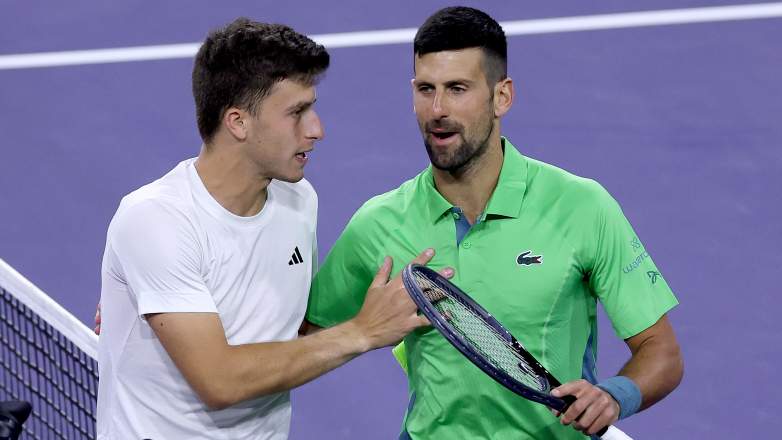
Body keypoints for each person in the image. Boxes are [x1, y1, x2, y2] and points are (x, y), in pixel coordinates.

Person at [305, 6, 683, 439]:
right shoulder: (378, 225)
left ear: (501, 96)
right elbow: (302, 344)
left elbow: (662, 352)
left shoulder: (582, 207)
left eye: (457, 89)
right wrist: (359, 332)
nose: (437, 109)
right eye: (425, 89)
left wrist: (615, 395)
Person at [96, 18, 441, 440]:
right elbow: (220, 382)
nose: (317, 129)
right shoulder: (156, 220)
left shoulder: (299, 201)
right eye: (296, 112)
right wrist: (362, 331)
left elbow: (285, 333)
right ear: (238, 122)